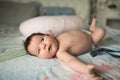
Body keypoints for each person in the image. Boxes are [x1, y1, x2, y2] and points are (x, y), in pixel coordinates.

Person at [24, 18, 105, 80]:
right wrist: (85, 69)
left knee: (98, 30)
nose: (43, 46)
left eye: (42, 40)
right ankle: (94, 30)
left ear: (49, 34)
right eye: (39, 50)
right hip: (91, 40)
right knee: (101, 31)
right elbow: (71, 61)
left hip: (83, 31)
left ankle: (92, 28)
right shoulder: (60, 52)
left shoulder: (57, 37)